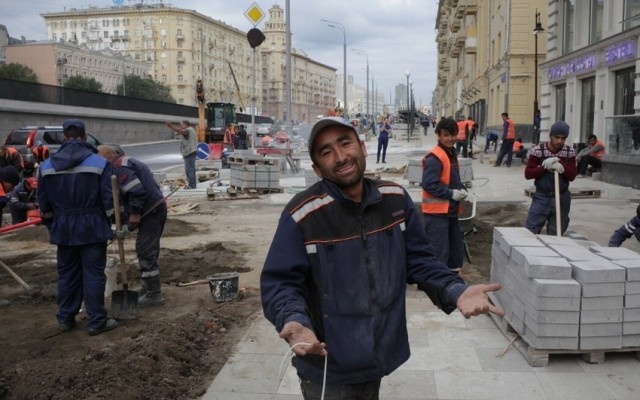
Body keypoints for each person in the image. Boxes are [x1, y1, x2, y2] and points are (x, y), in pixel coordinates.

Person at [260, 116, 503, 399]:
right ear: (317, 168)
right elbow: (280, 282)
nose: (340, 156)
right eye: (326, 152)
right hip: (328, 367)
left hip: (377, 358)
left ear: (362, 147)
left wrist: (455, 290)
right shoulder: (302, 215)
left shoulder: (394, 200)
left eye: (345, 143)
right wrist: (294, 320)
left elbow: (420, 260)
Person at [37, 119, 117, 336]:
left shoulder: (46, 166)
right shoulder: (99, 163)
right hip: (92, 226)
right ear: (84, 136)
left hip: (63, 227)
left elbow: (43, 205)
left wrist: (53, 225)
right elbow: (109, 201)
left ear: (64, 137)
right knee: (93, 274)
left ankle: (65, 318)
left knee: (67, 274)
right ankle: (96, 321)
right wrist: (114, 224)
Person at [98, 145, 167, 307]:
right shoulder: (122, 164)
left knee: (146, 251)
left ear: (107, 157)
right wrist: (122, 223)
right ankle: (147, 288)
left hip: (151, 211)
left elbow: (135, 190)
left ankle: (153, 294)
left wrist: (134, 215)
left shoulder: (119, 167)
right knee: (145, 249)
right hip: (152, 209)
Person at [421, 117, 468, 274]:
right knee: (439, 252)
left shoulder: (451, 154)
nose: (450, 138)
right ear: (438, 135)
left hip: (450, 210)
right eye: (446, 135)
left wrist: (461, 189)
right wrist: (451, 193)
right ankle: (437, 283)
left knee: (455, 249)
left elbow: (451, 179)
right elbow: (428, 184)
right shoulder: (435, 157)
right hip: (436, 214)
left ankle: (452, 279)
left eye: (453, 134)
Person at [524, 121, 577, 235]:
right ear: (550, 135)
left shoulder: (569, 152)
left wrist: (560, 161)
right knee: (531, 230)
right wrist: (546, 167)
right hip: (542, 196)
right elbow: (528, 174)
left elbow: (572, 176)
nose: (559, 141)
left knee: (556, 231)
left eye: (563, 138)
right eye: (556, 137)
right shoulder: (538, 150)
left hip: (562, 197)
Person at [165, 120, 197, 189]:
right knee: (190, 169)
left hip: (189, 153)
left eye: (181, 125)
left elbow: (181, 132)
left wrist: (171, 127)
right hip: (190, 152)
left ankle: (192, 185)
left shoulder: (188, 130)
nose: (180, 126)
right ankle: (192, 184)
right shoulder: (191, 130)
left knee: (189, 170)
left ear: (186, 124)